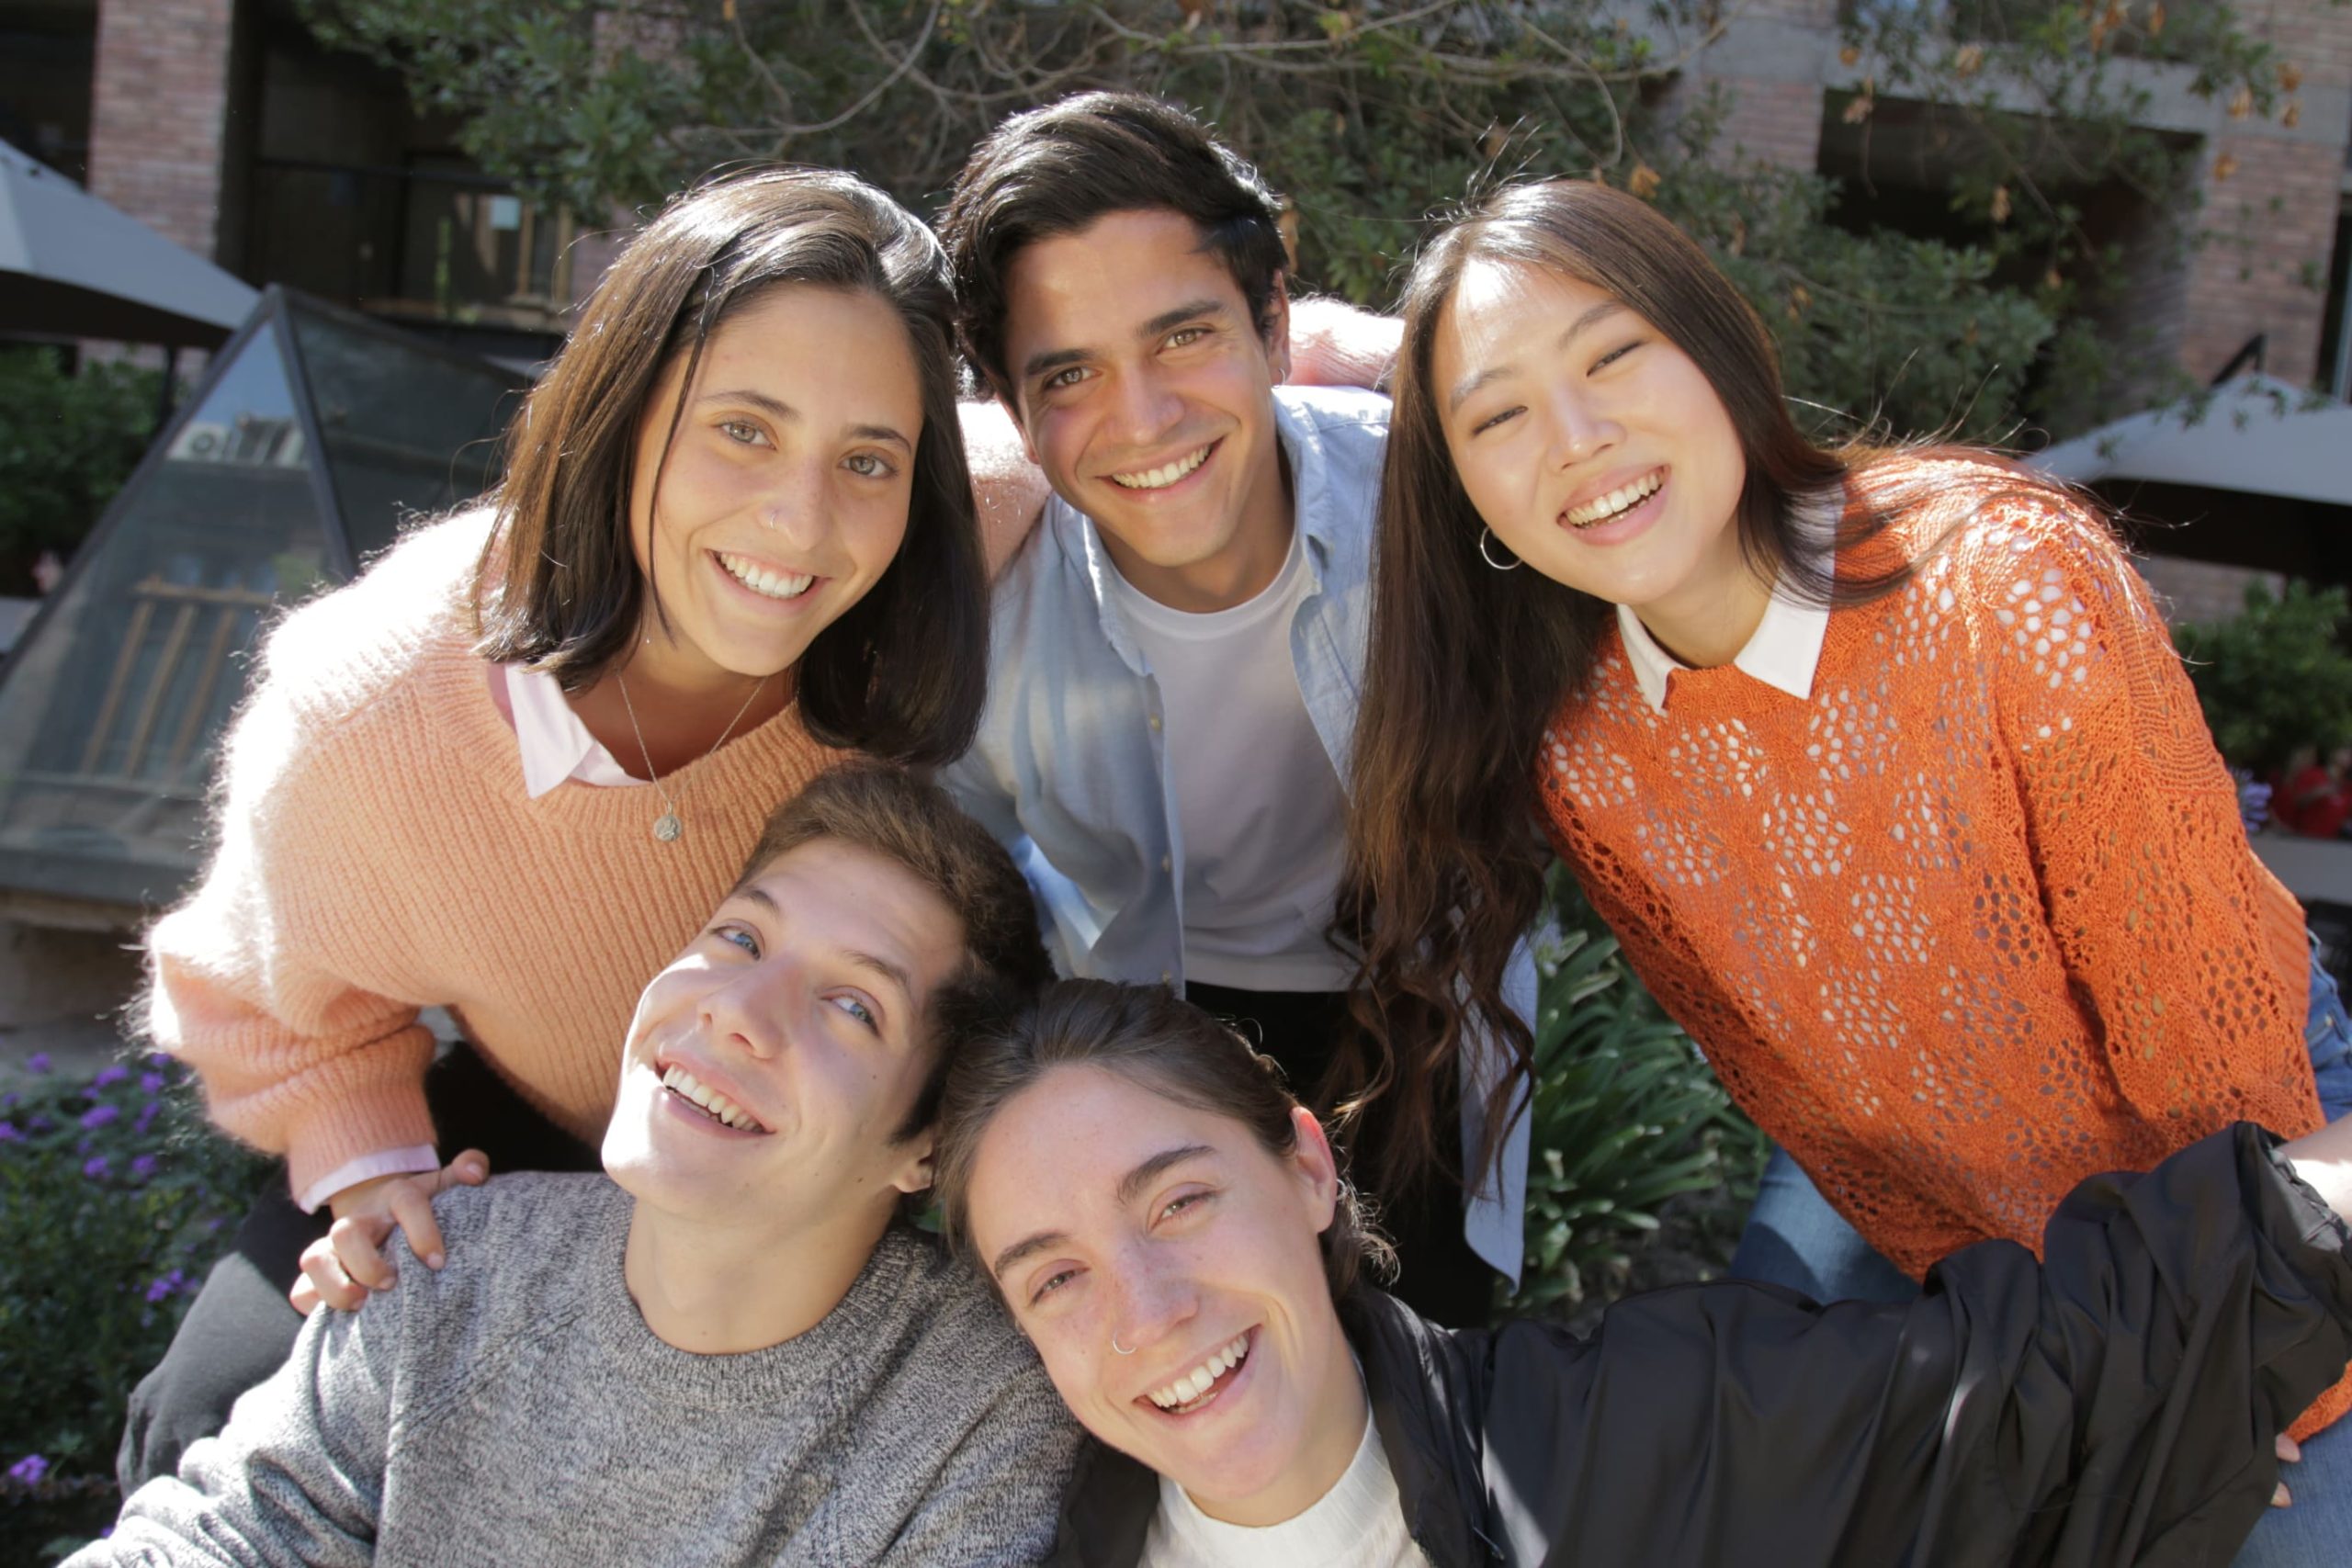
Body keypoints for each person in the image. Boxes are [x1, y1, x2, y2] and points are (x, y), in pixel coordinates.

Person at [1338, 176, 2352, 1563]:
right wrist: (2006, 1350)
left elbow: (2209, 1049)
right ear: (1469, 497)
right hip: (1963, 1216)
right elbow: (1807, 1094)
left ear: (1719, 349)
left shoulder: (2006, 583)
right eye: (1497, 414)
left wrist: (2242, 1346)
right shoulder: (1581, 747)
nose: (1575, 440)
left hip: (2262, 1155)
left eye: (1612, 354)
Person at [121, 166, 996, 1489]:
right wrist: (375, 1174)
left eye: (867, 458)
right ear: (624, 408)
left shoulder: (936, 565)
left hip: (816, 1129)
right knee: (221, 1414)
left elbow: (1144, 415)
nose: (802, 519)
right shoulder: (367, 710)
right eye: (742, 430)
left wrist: (1409, 331)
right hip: (522, 1116)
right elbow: (274, 1003)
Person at [933, 979, 2352, 1568]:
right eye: (1053, 1277)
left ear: (1307, 1167)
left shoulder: (1641, 1429)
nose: (1150, 1309)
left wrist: (2279, 1259)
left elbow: (2052, 1370)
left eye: (1178, 1199)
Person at [75, 763, 1078, 1567]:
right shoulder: (447, 1259)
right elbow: (228, 1534)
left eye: (852, 1005)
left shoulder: (972, 1411)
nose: (735, 1007)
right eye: (738, 937)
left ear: (926, 1147)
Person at [935, 91, 1526, 1325]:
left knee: (1432, 1390)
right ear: (1010, 404)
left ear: (1272, 323)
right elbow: (954, 893)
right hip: (1141, 1016)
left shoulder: (1439, 508)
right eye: (1071, 373)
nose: (1143, 419)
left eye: (1183, 336)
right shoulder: (981, 621)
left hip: (1410, 1011)